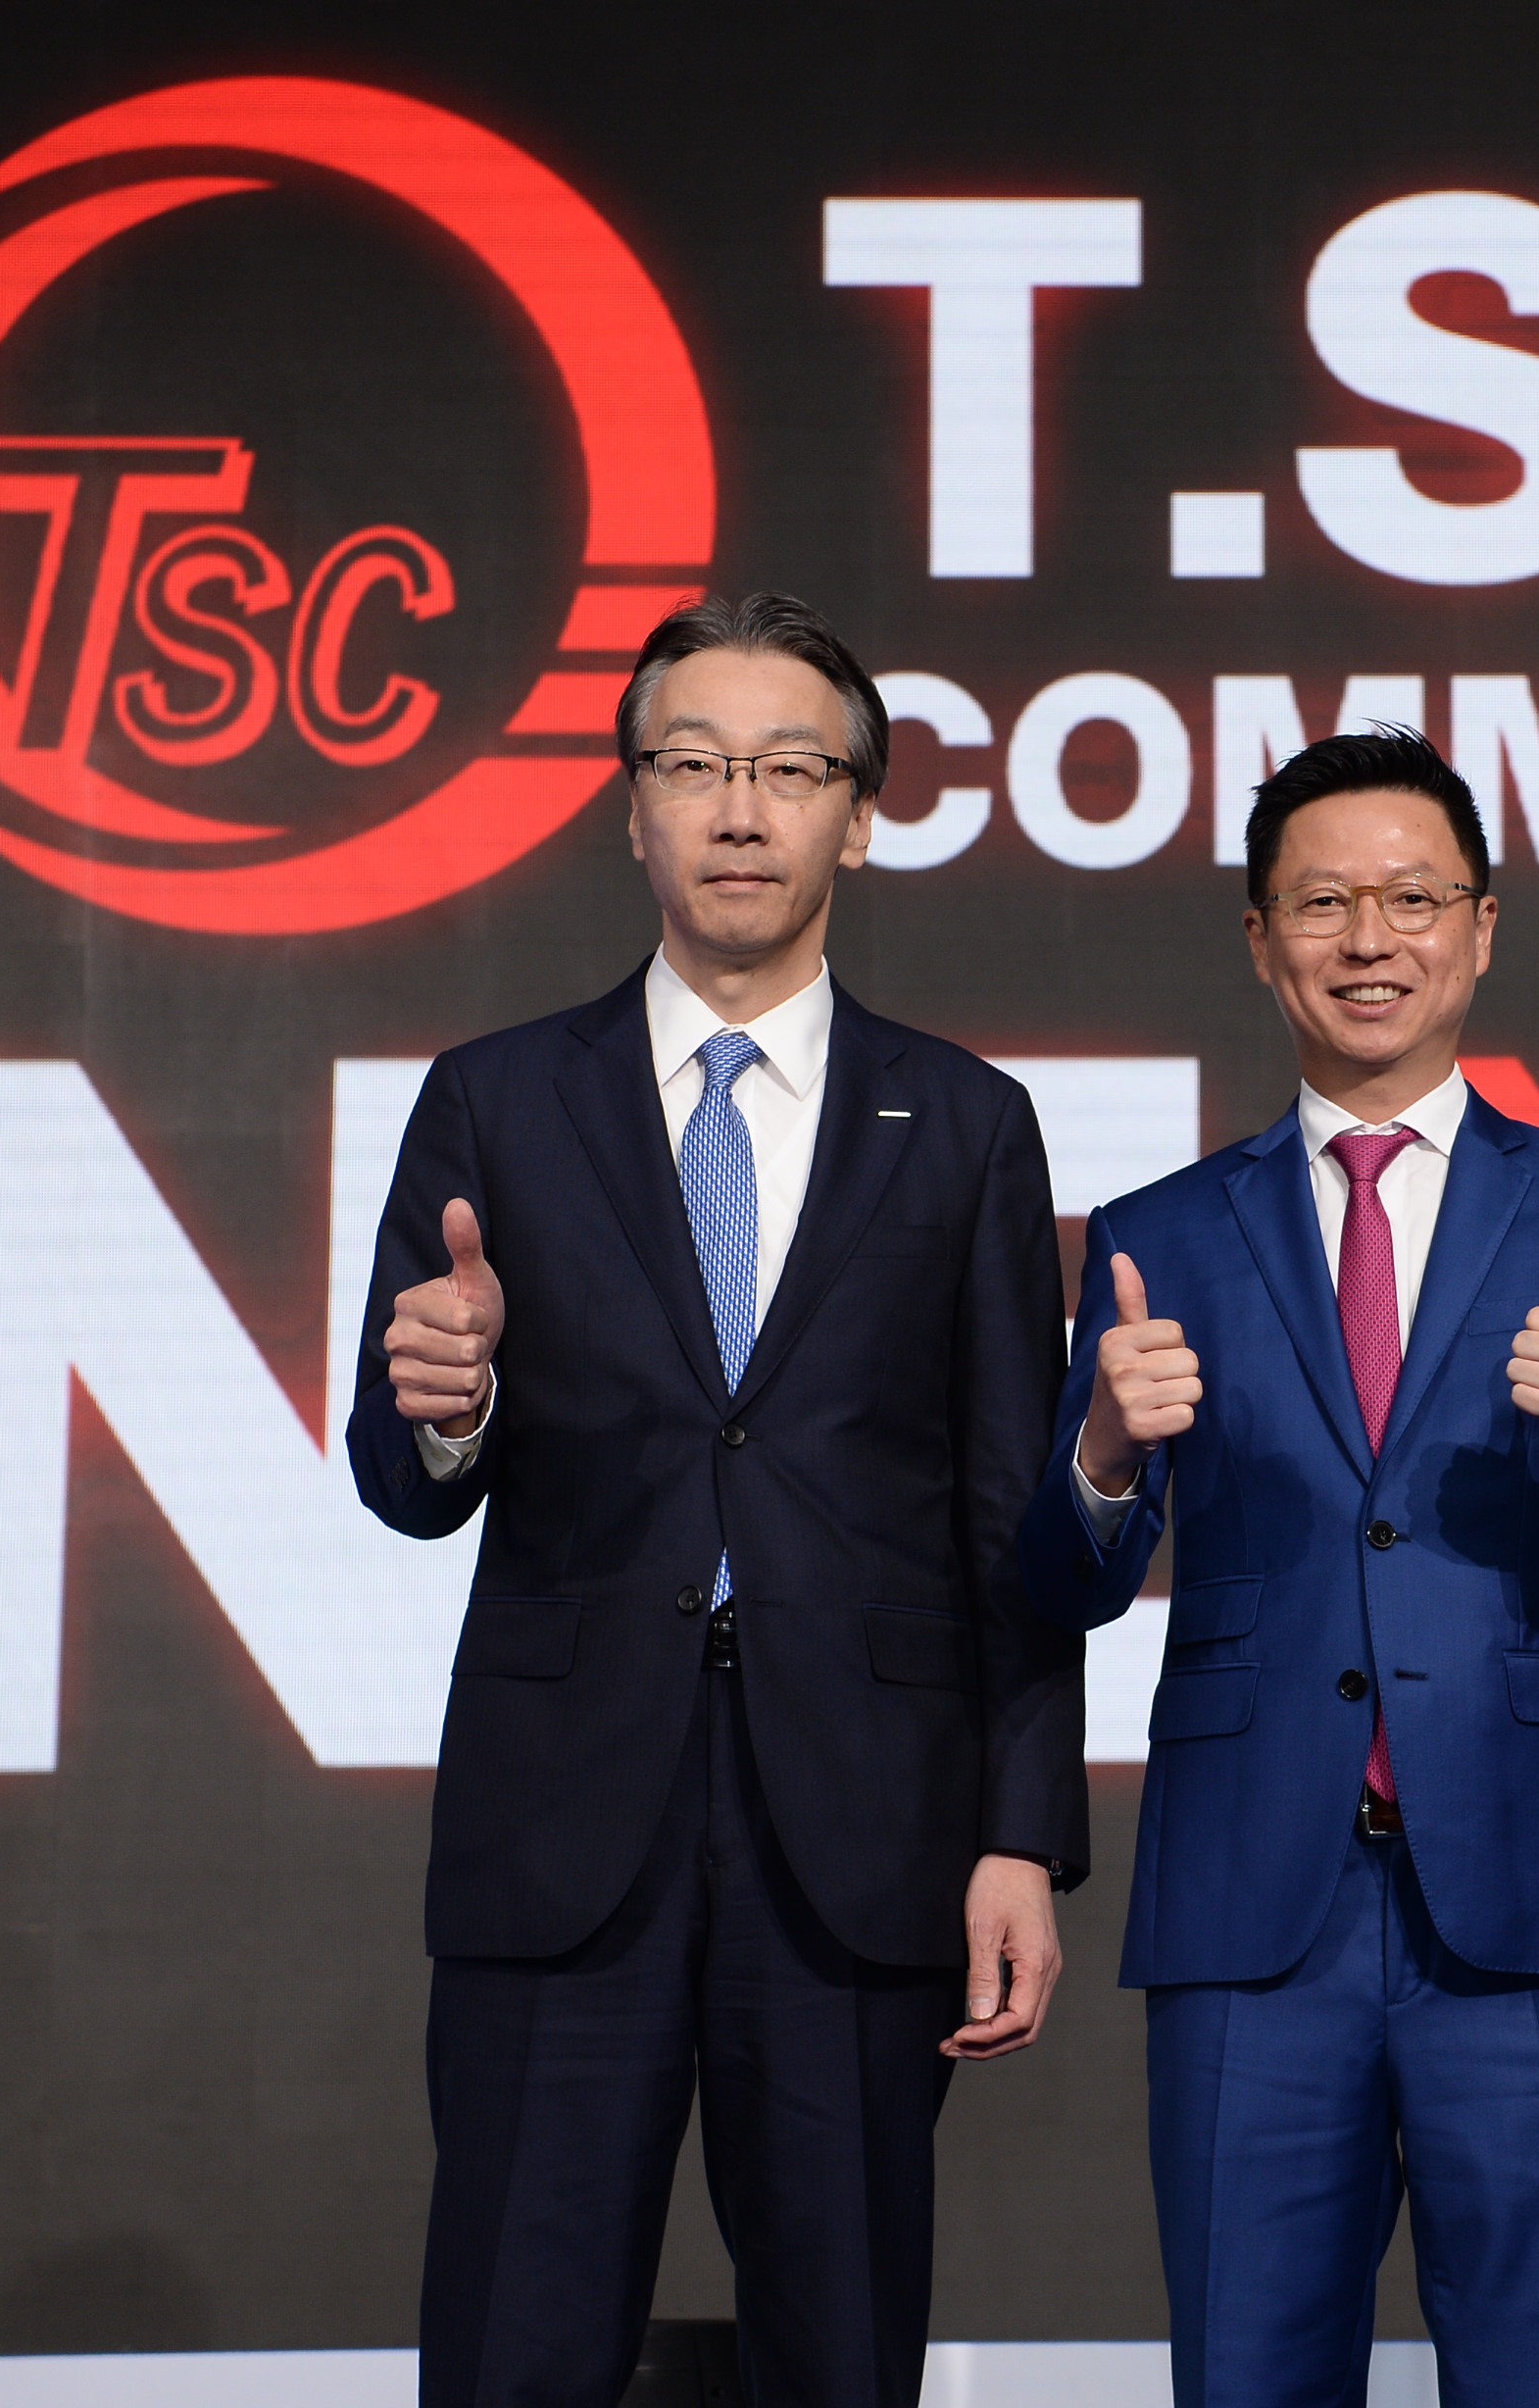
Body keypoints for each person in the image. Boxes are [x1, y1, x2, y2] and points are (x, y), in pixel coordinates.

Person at [345, 592, 1086, 2408]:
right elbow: (404, 1481)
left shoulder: (966, 1122)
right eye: (693, 765)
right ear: (632, 807)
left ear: (860, 815)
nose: (740, 809)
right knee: (515, 2338)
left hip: (863, 1829)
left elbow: (1014, 1517)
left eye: (789, 769)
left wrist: (1021, 1832)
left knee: (843, 2348)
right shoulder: (497, 1101)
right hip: (562, 1822)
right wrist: (450, 1406)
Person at [1016, 728, 1539, 2408]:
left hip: (1533, 1905)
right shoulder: (1157, 1231)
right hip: (1255, 1910)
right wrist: (1105, 1456)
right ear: (1259, 937)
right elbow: (1060, 1582)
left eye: (1412, 899)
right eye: (1322, 902)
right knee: (1248, 2376)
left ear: (1480, 928)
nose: (1368, 939)